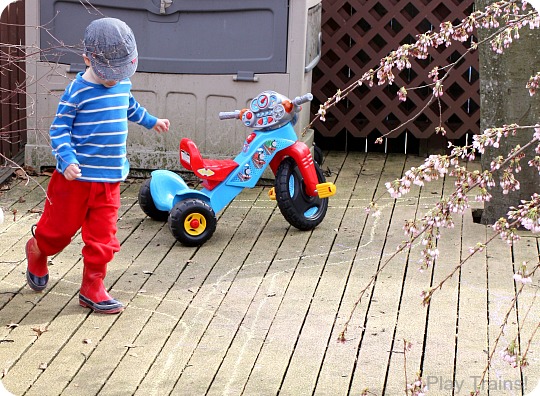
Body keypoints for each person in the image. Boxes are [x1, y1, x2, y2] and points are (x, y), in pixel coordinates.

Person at [25, 17, 170, 314]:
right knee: (57, 233)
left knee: (104, 239)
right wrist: (67, 160)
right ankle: (38, 250)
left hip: (110, 179)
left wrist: (152, 121)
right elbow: (59, 129)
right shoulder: (77, 91)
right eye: (109, 73)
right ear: (87, 59)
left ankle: (93, 286)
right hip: (73, 181)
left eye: (121, 72)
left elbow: (129, 106)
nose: (115, 79)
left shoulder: (121, 84)